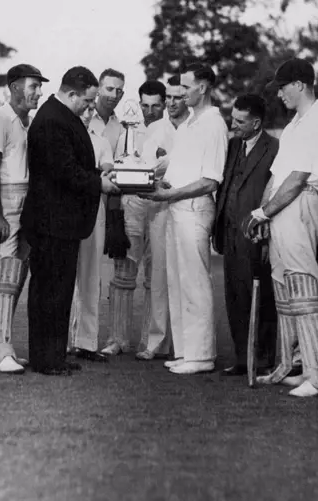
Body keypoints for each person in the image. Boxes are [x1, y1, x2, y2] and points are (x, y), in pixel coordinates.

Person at [20, 66, 119, 376]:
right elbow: (65, 171)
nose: (90, 108)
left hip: (62, 221)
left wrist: (98, 176)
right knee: (49, 292)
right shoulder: (52, 120)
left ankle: (53, 355)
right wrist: (99, 183)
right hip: (52, 222)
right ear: (72, 93)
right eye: (87, 102)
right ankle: (46, 359)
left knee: (59, 292)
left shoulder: (62, 116)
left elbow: (75, 167)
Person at [245, 58, 318, 397]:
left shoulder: (317, 123)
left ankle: (316, 375)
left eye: (282, 88)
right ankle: (289, 364)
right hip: (281, 207)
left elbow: (297, 180)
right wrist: (262, 214)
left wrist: (264, 213)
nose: (279, 95)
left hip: (301, 204)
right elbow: (277, 175)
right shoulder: (296, 123)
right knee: (283, 286)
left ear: (299, 85)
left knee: (302, 286)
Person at [141, 63, 228, 375]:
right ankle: (188, 350)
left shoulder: (213, 124)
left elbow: (210, 181)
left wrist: (169, 195)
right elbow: (172, 165)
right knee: (178, 282)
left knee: (194, 283)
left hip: (193, 209)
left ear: (202, 88)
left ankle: (202, 355)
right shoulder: (191, 123)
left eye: (188, 87)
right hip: (177, 208)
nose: (181, 93)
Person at [0, 64, 49, 374]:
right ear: (14, 88)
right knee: (7, 271)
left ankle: (2, 343)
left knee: (19, 272)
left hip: (29, 198)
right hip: (8, 198)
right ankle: (0, 350)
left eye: (39, 87)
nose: (38, 93)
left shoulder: (29, 121)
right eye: (33, 87)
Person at [212, 94, 279, 376]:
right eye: (233, 118)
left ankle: (262, 359)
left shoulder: (275, 148)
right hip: (229, 233)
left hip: (255, 235)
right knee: (235, 296)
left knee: (261, 298)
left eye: (240, 121)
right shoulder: (231, 146)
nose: (233, 124)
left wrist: (266, 232)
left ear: (257, 122)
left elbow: (274, 192)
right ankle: (242, 357)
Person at [104, 80, 170, 359]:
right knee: (123, 273)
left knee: (156, 277)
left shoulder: (173, 130)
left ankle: (151, 341)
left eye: (156, 105)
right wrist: (115, 213)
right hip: (131, 204)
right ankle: (117, 339)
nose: (150, 110)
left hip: (161, 206)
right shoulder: (128, 129)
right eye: (145, 105)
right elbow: (117, 171)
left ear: (165, 104)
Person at [134, 76, 191, 360]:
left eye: (177, 97)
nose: (170, 103)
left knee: (188, 275)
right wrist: (158, 178)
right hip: (159, 206)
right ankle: (157, 341)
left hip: (190, 204)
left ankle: (187, 345)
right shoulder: (155, 128)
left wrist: (173, 167)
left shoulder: (198, 127)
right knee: (158, 274)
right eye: (168, 97)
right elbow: (146, 168)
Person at [68, 104, 115, 362]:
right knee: (64, 275)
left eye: (90, 109)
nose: (86, 114)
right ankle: (60, 341)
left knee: (91, 275)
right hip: (66, 207)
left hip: (93, 208)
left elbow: (106, 168)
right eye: (82, 108)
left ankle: (86, 342)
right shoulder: (64, 136)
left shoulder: (101, 141)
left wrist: (102, 171)